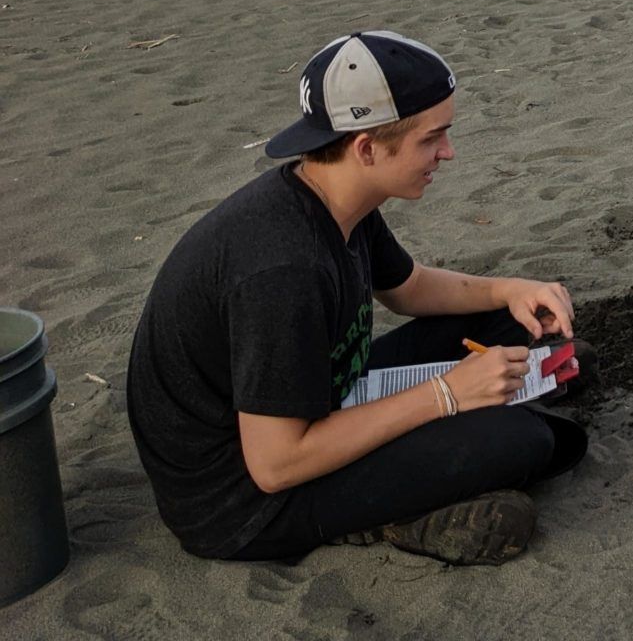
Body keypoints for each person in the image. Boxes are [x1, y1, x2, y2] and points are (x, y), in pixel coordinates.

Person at [126, 31, 590, 566]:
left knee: (514, 325)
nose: (448, 152)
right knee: (525, 440)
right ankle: (397, 520)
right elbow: (275, 464)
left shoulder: (336, 197)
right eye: (432, 138)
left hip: (322, 396)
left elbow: (409, 288)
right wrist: (447, 394)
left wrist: (511, 290)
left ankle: (492, 405)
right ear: (366, 148)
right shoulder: (282, 269)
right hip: (246, 503)